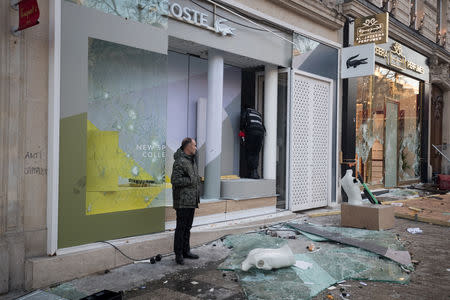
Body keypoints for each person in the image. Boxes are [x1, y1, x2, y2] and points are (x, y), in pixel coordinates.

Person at [171, 137, 201, 265]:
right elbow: (175, 180)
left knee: (188, 228)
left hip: (191, 200)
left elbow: (192, 178)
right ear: (188, 146)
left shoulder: (191, 161)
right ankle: (178, 254)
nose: (195, 147)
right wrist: (191, 181)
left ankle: (186, 251)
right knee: (181, 228)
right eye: (194, 145)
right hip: (182, 201)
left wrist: (196, 179)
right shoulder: (180, 162)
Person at [240, 107, 265, 179]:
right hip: (260, 134)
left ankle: (251, 173)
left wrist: (242, 136)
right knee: (256, 153)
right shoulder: (258, 114)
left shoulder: (246, 111)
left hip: (252, 132)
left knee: (249, 152)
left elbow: (242, 124)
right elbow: (263, 126)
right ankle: (255, 172)